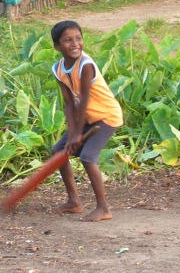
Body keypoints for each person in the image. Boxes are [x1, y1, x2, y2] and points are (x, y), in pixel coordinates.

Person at [49, 20, 124, 222]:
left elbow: (84, 102)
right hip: (87, 118)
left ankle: (104, 208)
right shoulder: (58, 69)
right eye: (68, 40)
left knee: (88, 157)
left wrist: (77, 134)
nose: (75, 44)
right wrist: (72, 134)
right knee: (58, 151)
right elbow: (69, 104)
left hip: (106, 116)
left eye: (78, 38)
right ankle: (74, 202)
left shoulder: (86, 65)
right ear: (57, 46)